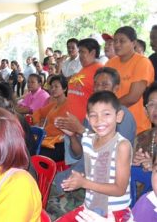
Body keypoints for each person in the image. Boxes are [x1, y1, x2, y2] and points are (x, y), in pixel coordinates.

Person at [56, 91, 132, 221]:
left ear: (118, 116)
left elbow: (120, 189)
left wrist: (84, 183)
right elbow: (83, 142)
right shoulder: (88, 140)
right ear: (87, 118)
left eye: (106, 114)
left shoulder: (122, 146)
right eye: (93, 115)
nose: (99, 120)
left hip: (114, 214)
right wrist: (72, 135)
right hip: (90, 207)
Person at [106, 26, 154, 134]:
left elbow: (133, 97)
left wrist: (107, 108)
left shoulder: (142, 62)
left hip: (136, 126)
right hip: (112, 125)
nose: (117, 45)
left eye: (122, 41)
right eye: (115, 41)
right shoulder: (110, 63)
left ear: (133, 43)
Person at [32, 74, 68, 162]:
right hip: (46, 140)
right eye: (51, 87)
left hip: (59, 145)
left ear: (64, 89)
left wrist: (46, 128)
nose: (53, 89)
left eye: (56, 86)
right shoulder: (54, 104)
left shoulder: (69, 105)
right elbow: (38, 112)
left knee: (33, 155)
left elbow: (62, 129)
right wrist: (38, 122)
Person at [66, 38, 103, 122]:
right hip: (72, 123)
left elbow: (102, 99)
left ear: (93, 53)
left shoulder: (100, 71)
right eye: (79, 52)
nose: (80, 55)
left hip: (87, 124)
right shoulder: (82, 70)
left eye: (82, 52)